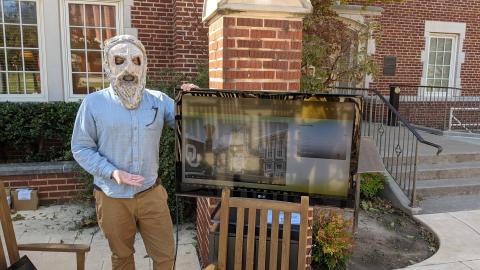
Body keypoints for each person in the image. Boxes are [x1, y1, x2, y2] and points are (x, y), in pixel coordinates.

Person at [71, 34, 196, 270]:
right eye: (119, 60)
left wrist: (195, 99)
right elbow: (81, 147)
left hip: (151, 193)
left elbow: (190, 121)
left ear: (144, 66)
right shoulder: (93, 103)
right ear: (108, 65)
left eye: (136, 61)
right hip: (111, 196)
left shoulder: (159, 101)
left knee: (165, 256)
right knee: (122, 256)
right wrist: (112, 172)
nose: (129, 68)